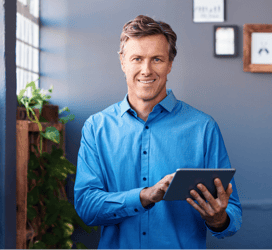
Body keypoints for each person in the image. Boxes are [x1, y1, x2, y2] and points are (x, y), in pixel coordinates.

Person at [74, 15, 242, 250]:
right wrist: (144, 196)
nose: (146, 70)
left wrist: (219, 219)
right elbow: (86, 206)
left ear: (170, 63)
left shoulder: (203, 127)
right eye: (137, 59)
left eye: (157, 59)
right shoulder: (96, 128)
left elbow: (232, 212)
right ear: (123, 61)